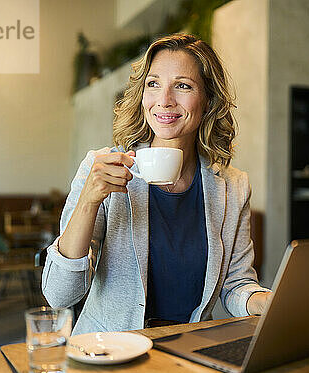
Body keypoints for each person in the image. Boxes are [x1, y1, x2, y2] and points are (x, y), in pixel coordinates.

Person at [42, 33, 272, 334]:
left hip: (188, 350)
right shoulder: (101, 168)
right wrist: (89, 200)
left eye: (183, 86)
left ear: (208, 100)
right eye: (153, 84)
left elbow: (236, 284)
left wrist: (268, 301)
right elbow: (59, 295)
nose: (164, 100)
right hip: (109, 351)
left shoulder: (233, 186)